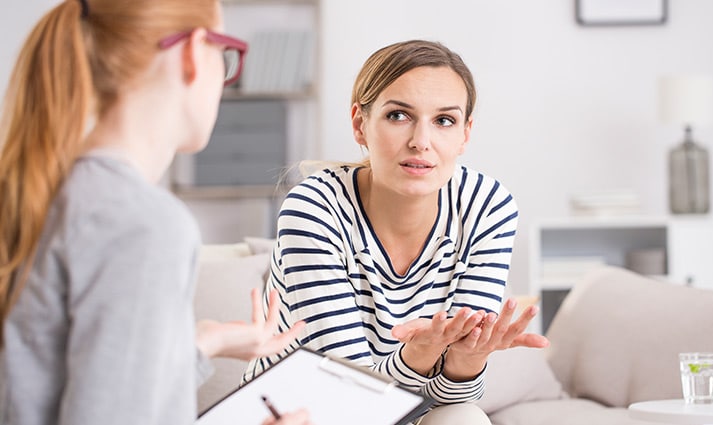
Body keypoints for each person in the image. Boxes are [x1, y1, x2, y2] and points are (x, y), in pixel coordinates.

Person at [0, 1, 308, 424]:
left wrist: (202, 341)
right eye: (226, 51)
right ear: (193, 52)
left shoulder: (43, 191)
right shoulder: (141, 223)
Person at [244, 40, 550, 424]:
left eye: (444, 121)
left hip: (395, 407)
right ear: (360, 124)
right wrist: (420, 357)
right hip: (298, 413)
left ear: (465, 134)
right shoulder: (315, 208)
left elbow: (454, 397)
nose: (421, 142)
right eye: (398, 116)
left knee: (464, 418)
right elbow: (349, 394)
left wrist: (467, 360)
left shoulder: (486, 205)